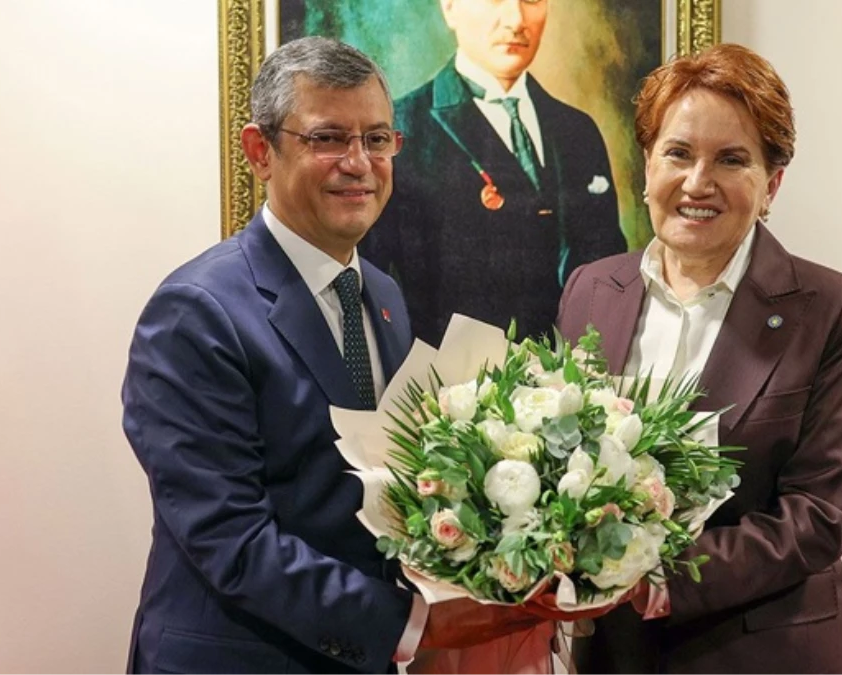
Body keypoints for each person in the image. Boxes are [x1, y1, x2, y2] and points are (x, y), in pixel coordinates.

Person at [121, 37, 541, 674]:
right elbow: (232, 542)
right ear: (260, 151)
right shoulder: (195, 313)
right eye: (327, 139)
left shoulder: (383, 295)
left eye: (377, 139)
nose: (360, 163)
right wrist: (414, 624)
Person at [557, 44, 842, 674]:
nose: (698, 183)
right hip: (614, 655)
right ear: (646, 164)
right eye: (678, 153)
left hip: (764, 651)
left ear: (770, 185)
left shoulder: (834, 309)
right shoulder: (591, 290)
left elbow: (821, 512)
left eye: (731, 160)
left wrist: (657, 579)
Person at [360, 0, 627, 347]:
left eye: (531, 0)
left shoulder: (578, 131)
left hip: (571, 388)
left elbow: (609, 271)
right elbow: (370, 286)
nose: (516, 20)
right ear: (450, 8)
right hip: (440, 389)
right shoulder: (402, 131)